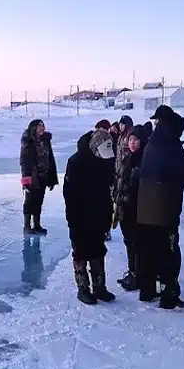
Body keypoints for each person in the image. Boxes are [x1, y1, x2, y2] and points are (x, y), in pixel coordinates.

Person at [136, 106, 184, 309]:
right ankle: (169, 293)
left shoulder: (152, 143)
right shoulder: (171, 147)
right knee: (169, 252)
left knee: (148, 250)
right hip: (164, 211)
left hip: (146, 210)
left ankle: (147, 289)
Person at [63, 129, 116, 304]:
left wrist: (108, 215)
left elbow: (108, 190)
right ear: (94, 147)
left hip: (99, 214)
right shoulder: (76, 162)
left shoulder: (106, 161)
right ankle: (83, 289)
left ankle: (99, 288)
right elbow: (69, 195)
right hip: (80, 217)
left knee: (98, 251)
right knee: (81, 253)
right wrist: (73, 219)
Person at [114, 125, 149, 291]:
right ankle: (132, 272)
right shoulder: (128, 158)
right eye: (130, 140)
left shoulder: (144, 160)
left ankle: (138, 275)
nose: (132, 143)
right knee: (129, 242)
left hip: (137, 209)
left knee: (136, 243)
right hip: (125, 208)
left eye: (135, 140)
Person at [20, 119, 59, 235]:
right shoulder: (28, 142)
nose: (42, 128)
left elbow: (50, 159)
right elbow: (24, 161)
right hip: (32, 176)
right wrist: (26, 180)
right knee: (29, 201)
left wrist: (52, 178)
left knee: (39, 201)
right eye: (39, 126)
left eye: (43, 126)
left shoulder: (46, 140)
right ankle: (27, 226)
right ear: (33, 128)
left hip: (44, 175)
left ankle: (37, 224)